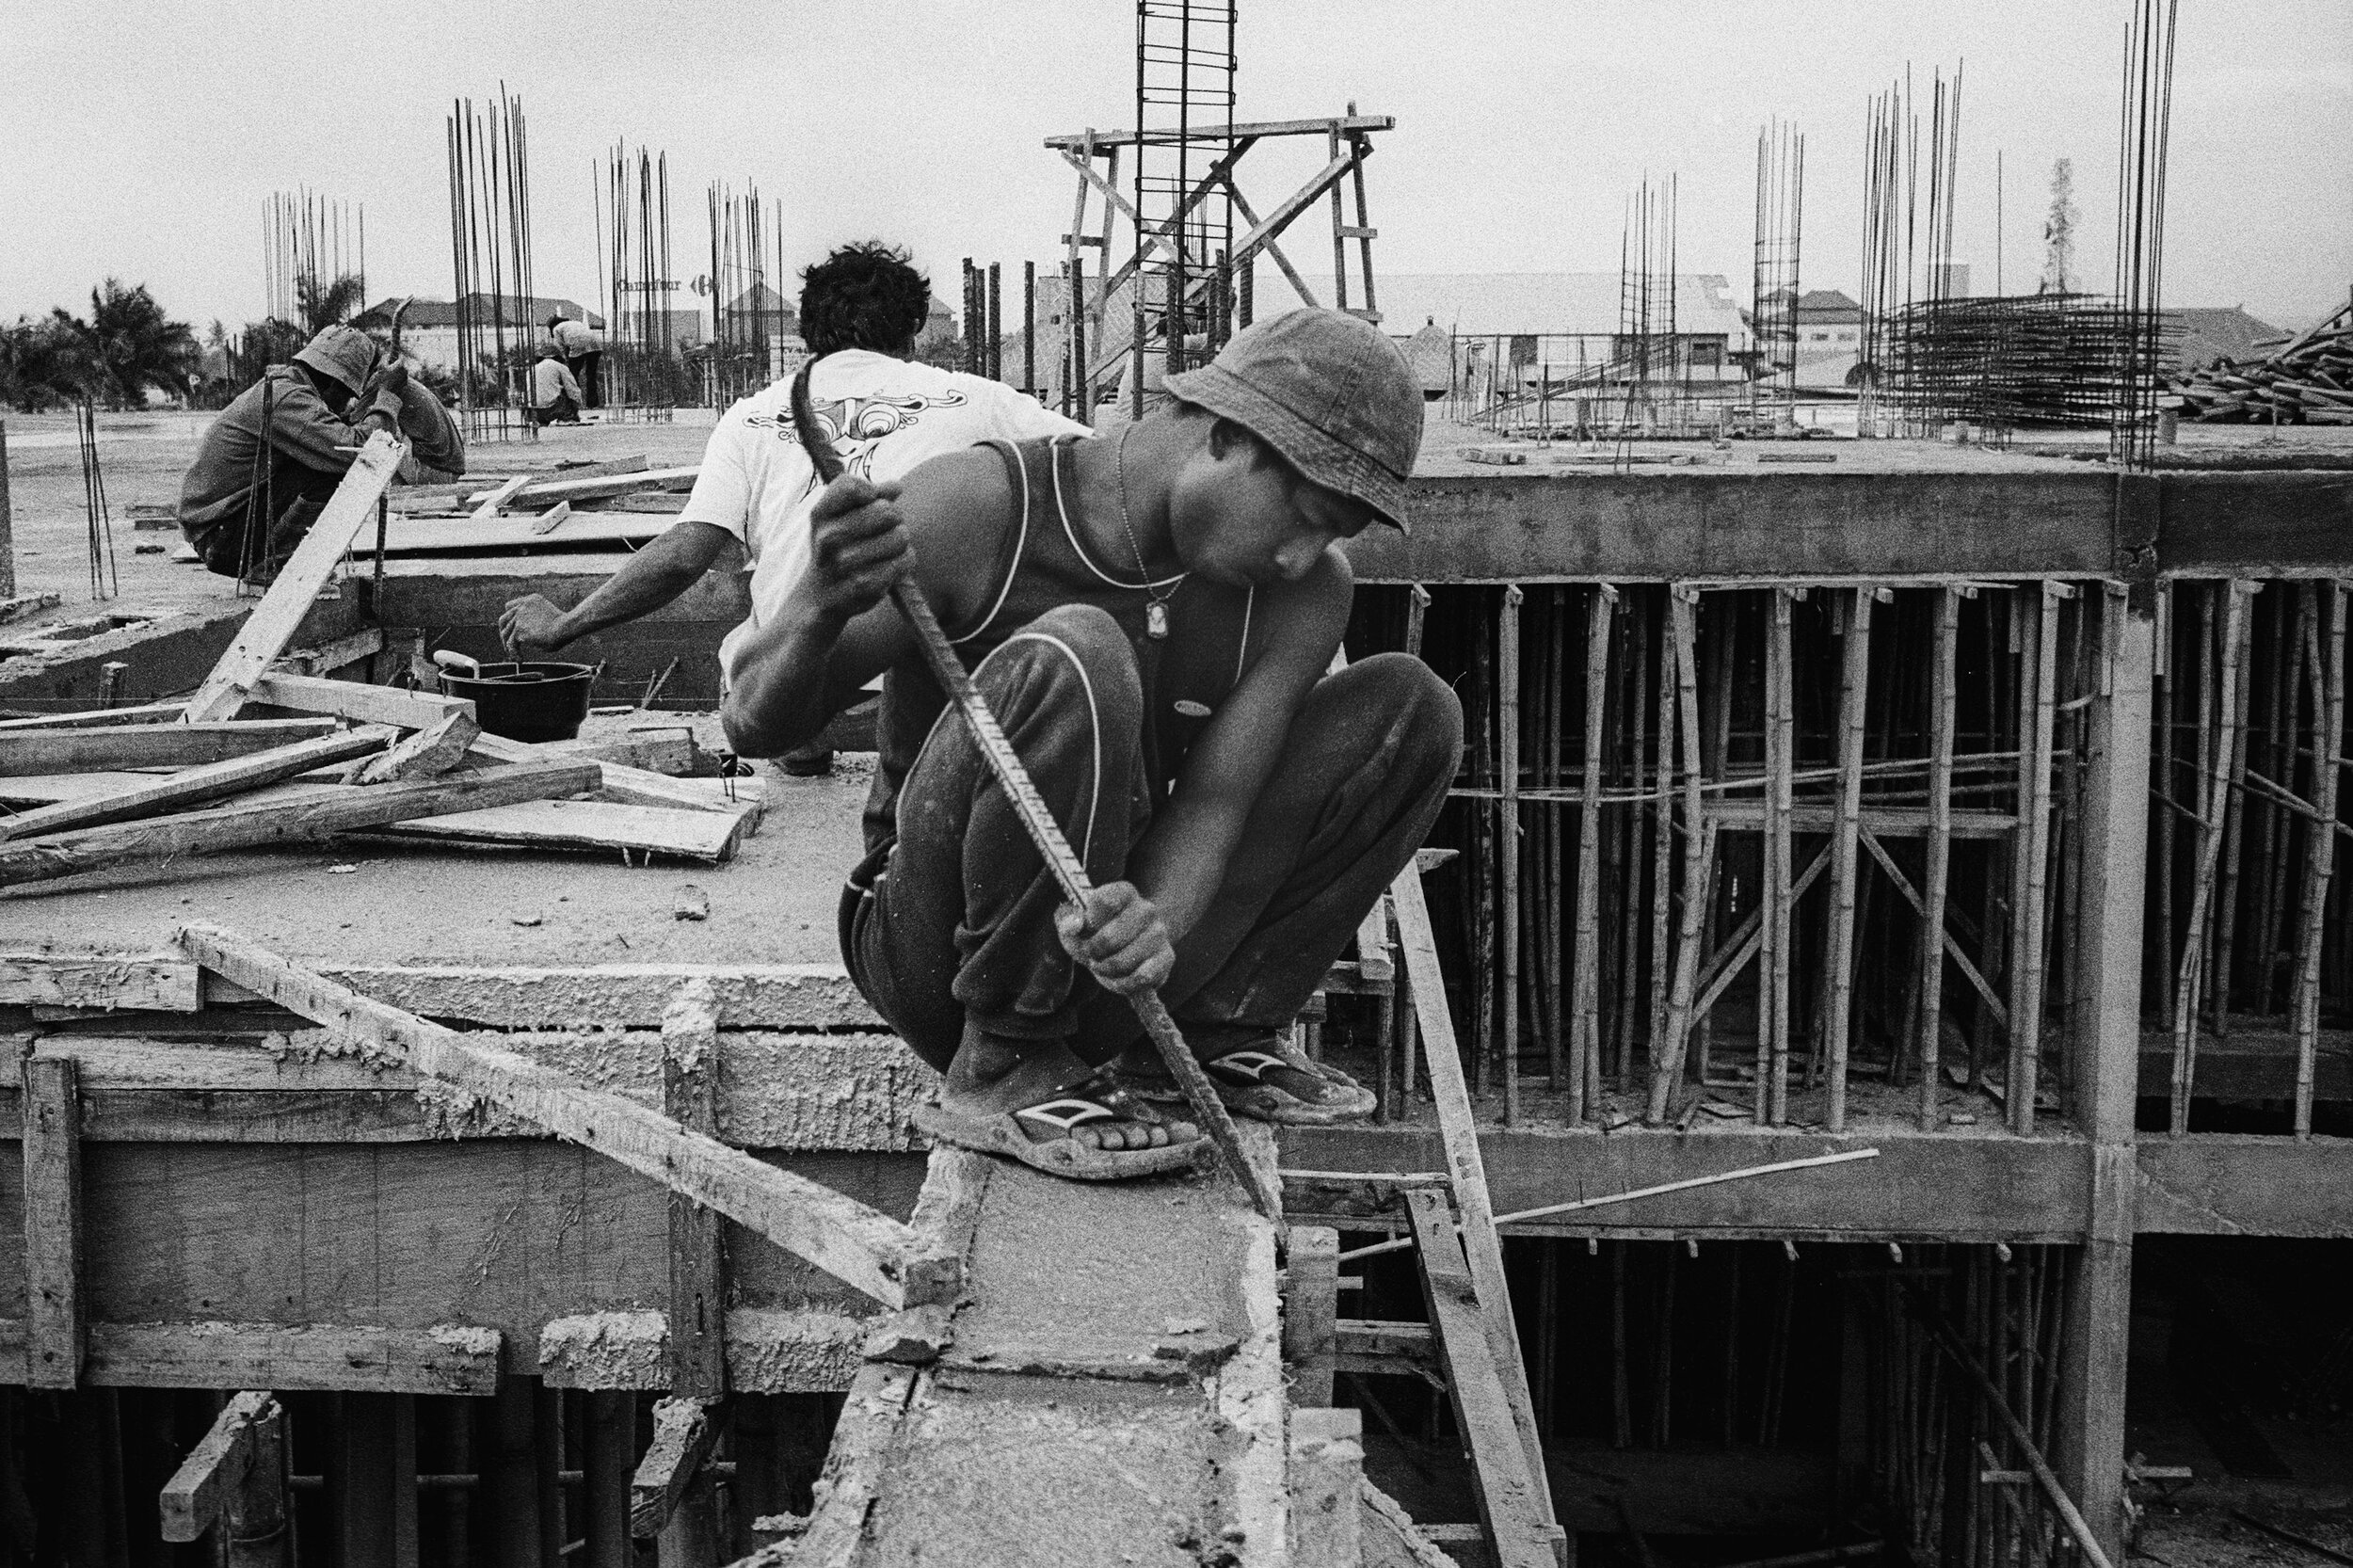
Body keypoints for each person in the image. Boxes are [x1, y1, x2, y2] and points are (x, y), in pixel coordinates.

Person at [720, 309, 1460, 1180]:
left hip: (1104, 963)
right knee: (1080, 650)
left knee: (1412, 710)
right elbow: (756, 727)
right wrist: (817, 606)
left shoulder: (1302, 596)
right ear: (1225, 437)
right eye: (1305, 515)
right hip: (935, 951)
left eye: (1333, 535)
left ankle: (1209, 1028)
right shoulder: (980, 505)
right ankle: (1004, 1060)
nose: (1304, 557)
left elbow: (1217, 803)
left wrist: (1158, 925)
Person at [499, 240, 1083, 769]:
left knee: (764, 625)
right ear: (912, 332)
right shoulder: (978, 400)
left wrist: (566, 624)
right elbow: (1097, 463)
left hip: (795, 692)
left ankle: (808, 736)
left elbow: (685, 555)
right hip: (923, 685)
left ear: (807, 334)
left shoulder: (752, 415)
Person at [178, 325, 465, 582]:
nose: (345, 404)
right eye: (346, 394)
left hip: (224, 532)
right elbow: (363, 451)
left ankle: (280, 560)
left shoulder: (286, 388)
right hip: (224, 540)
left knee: (325, 457)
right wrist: (387, 396)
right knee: (336, 467)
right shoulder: (288, 399)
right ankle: (271, 565)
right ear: (331, 383)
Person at [549, 312, 603, 408]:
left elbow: (561, 348)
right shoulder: (575, 322)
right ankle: (593, 404)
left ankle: (575, 403)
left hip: (578, 344)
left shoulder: (556, 329)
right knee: (591, 375)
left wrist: (565, 361)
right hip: (596, 343)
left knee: (572, 376)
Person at [530, 342, 585, 426]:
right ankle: (567, 418)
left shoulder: (532, 369)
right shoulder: (560, 367)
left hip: (532, 412)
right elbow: (572, 389)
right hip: (552, 409)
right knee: (568, 392)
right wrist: (577, 405)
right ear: (558, 357)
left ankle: (540, 421)